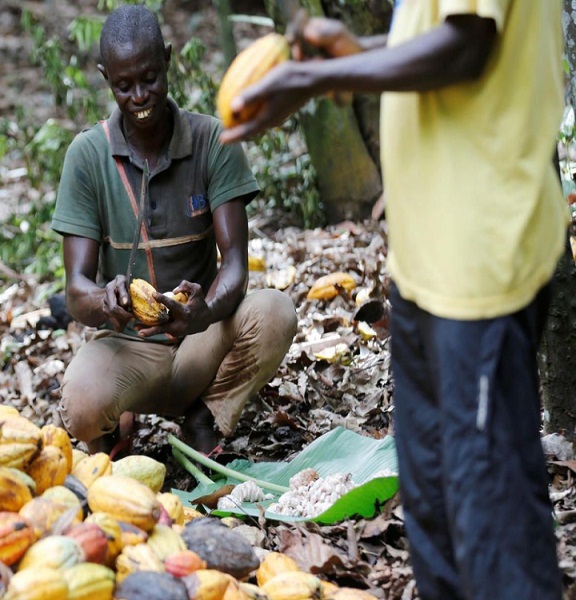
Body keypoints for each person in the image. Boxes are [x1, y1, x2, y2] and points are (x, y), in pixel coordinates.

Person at [220, 3, 567, 599]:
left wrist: (314, 78)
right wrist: (356, 49)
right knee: (433, 513)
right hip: (426, 265)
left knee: (491, 519)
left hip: (479, 268)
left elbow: (466, 48)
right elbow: (440, 41)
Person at [51, 5, 297, 457]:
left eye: (150, 78)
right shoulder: (87, 156)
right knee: (82, 406)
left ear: (168, 59)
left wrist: (206, 311)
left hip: (201, 337)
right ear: (106, 78)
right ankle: (112, 435)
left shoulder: (212, 141)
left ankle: (205, 417)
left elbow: (236, 267)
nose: (140, 96)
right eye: (124, 86)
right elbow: (75, 289)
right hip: (129, 349)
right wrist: (105, 301)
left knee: (275, 311)